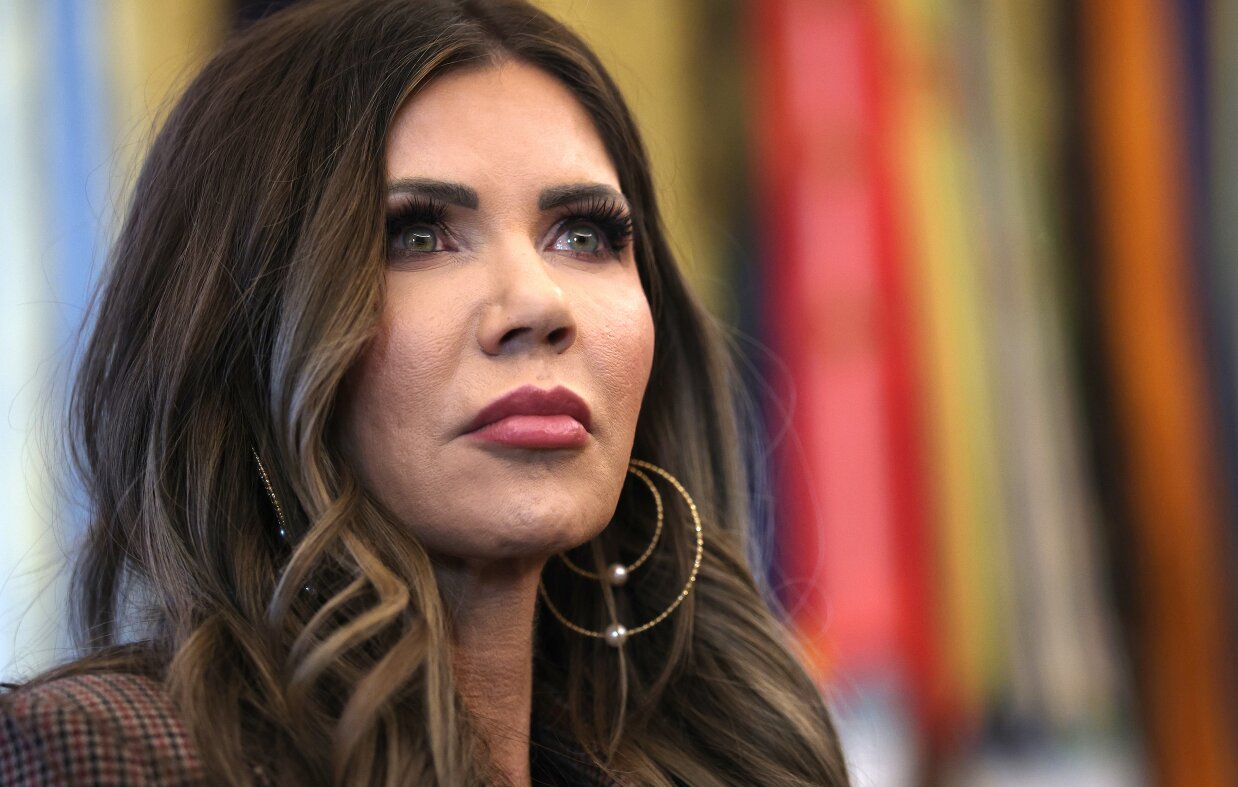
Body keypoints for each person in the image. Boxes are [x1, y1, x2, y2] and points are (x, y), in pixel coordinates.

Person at [0, 1, 851, 785]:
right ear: (243, 333)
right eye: (416, 235)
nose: (538, 304)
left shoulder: (738, 756)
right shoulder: (107, 754)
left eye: (584, 235)